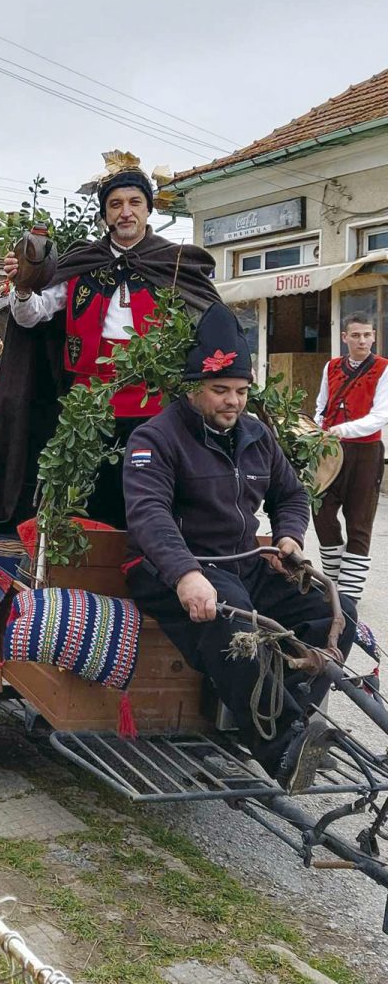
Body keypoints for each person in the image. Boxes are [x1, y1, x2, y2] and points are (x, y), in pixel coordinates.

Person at [123, 302, 356, 793]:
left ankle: (274, 712)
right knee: (237, 627)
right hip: (180, 568)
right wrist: (186, 573)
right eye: (220, 390)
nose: (233, 402)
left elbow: (291, 494)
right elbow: (149, 515)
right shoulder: (155, 438)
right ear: (193, 389)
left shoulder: (257, 434)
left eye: (242, 391)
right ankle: (285, 749)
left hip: (245, 561)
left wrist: (290, 535)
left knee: (336, 613)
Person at [0, 152, 220, 532]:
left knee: (148, 502)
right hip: (86, 409)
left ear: (148, 209)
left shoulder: (173, 265)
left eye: (134, 203)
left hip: (154, 410)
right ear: (105, 214)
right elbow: (31, 316)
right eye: (115, 204)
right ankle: (90, 585)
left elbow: (208, 324)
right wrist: (24, 286)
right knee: (88, 508)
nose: (125, 212)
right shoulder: (83, 261)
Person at [312, 311, 388, 601]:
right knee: (321, 512)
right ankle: (333, 581)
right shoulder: (331, 367)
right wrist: (318, 430)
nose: (362, 340)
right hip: (329, 448)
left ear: (374, 336)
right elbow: (321, 405)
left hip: (365, 451)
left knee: (359, 520)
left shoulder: (384, 368)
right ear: (344, 337)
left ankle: (349, 595)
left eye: (367, 334)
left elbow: (380, 416)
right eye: (356, 335)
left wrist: (338, 430)